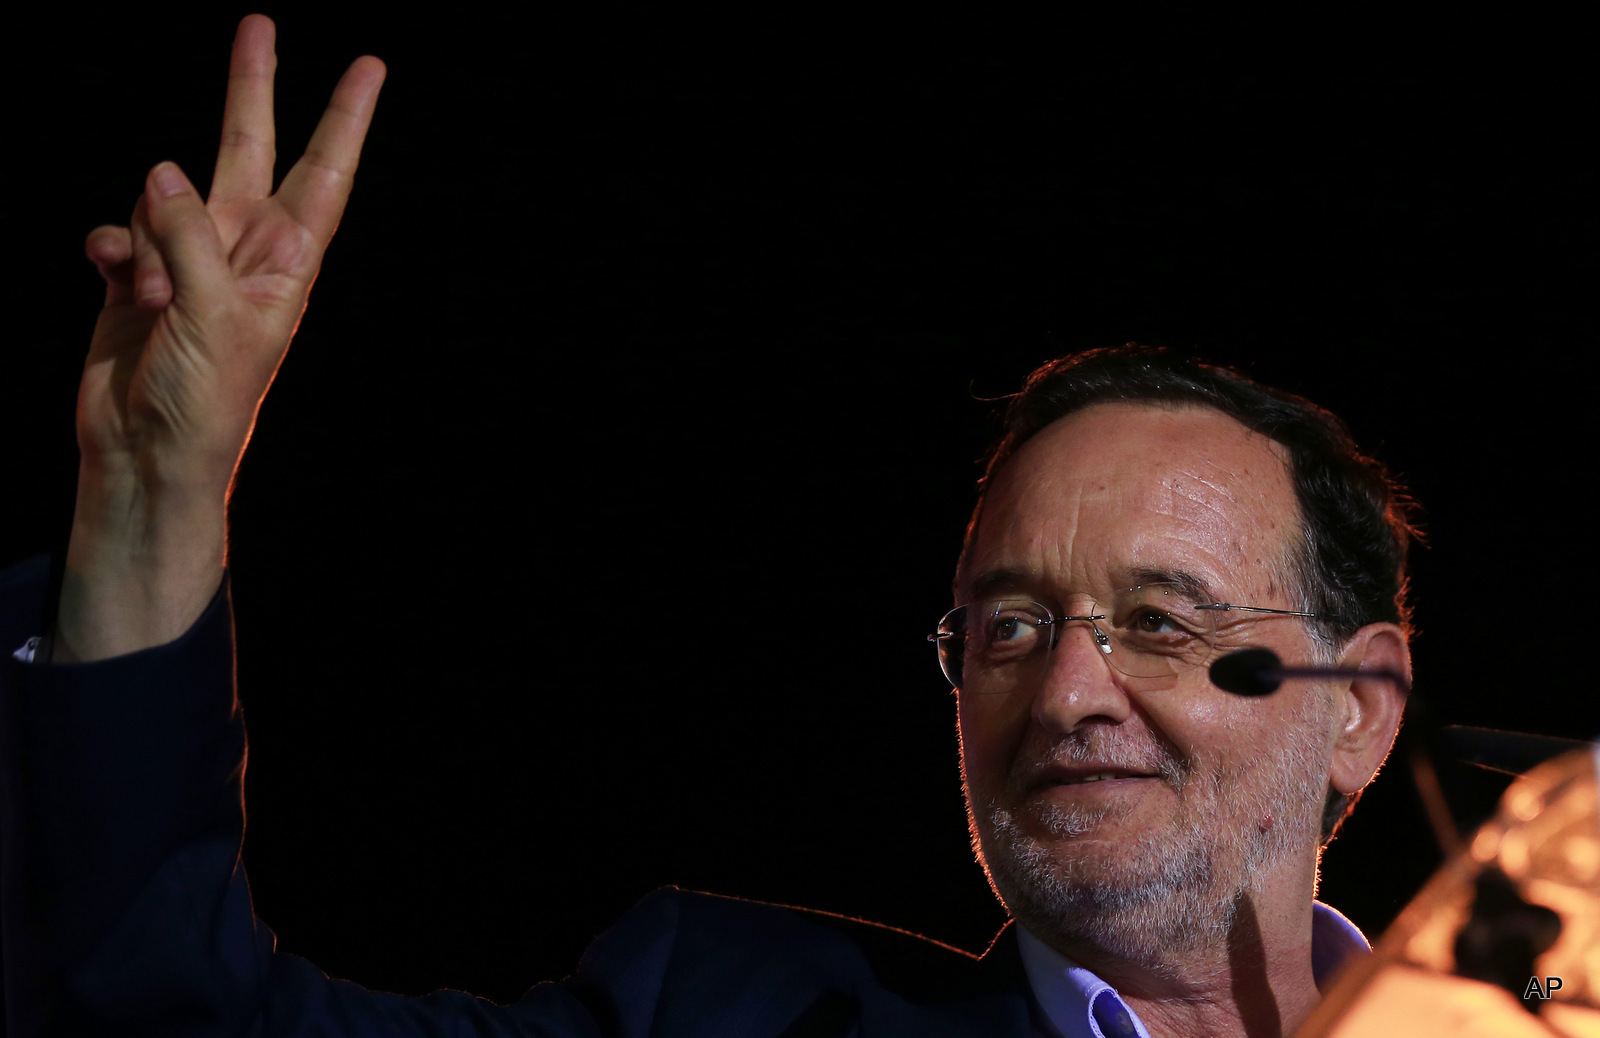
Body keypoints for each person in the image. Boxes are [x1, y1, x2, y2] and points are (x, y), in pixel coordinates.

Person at [0, 16, 1415, 1038]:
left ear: (1359, 702)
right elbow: (163, 1013)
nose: (1062, 692)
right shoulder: (724, 1006)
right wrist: (149, 490)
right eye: (1010, 626)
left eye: (1159, 623)